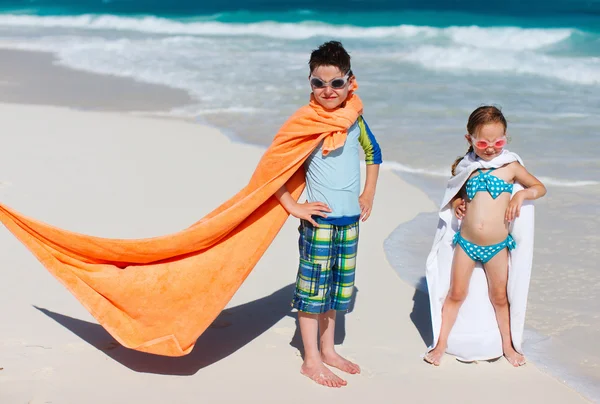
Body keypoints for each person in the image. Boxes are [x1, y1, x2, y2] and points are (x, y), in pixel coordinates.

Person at [275, 41, 382, 387]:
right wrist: (293, 205)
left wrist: (368, 193)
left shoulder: (355, 119)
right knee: (312, 292)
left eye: (336, 83)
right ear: (309, 82)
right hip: (318, 222)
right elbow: (273, 170)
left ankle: (329, 349)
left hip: (349, 221)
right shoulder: (306, 123)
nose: (327, 90)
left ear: (350, 82)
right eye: (319, 83)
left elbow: (374, 154)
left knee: (338, 290)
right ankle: (311, 359)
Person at [424, 106, 546, 367]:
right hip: (466, 245)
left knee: (500, 298)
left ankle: (508, 346)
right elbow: (455, 193)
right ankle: (441, 343)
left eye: (498, 141)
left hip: (497, 247)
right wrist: (457, 202)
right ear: (469, 139)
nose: (491, 148)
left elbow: (539, 188)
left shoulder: (510, 166)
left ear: (506, 138)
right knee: (456, 294)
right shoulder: (468, 167)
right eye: (483, 142)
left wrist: (520, 195)